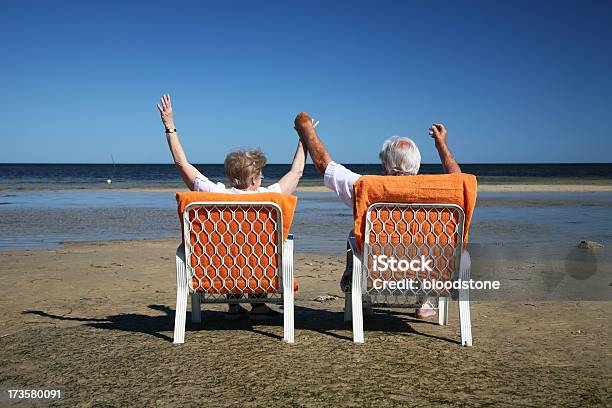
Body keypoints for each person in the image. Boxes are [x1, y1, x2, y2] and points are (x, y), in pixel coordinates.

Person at [293, 112, 461, 319]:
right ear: (417, 166)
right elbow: (458, 179)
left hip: (379, 273)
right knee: (424, 239)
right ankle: (424, 301)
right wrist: (441, 144)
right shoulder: (438, 191)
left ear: (384, 166)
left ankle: (364, 298)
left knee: (357, 237)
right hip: (426, 274)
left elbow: (324, 165)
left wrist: (307, 129)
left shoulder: (367, 187)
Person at [157, 94, 307, 319]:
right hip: (260, 272)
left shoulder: (215, 195)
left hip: (220, 271)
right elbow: (296, 172)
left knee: (229, 244)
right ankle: (258, 306)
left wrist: (170, 126)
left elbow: (182, 163)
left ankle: (235, 305)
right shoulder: (270, 198)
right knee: (253, 247)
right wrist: (305, 138)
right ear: (255, 180)